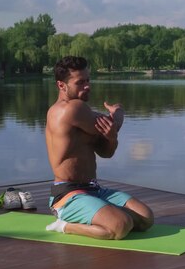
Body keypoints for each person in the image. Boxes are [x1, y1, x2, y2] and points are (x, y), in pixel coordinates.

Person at [44, 56, 153, 240]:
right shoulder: (70, 109)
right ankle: (64, 225)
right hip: (69, 195)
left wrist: (111, 137)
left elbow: (106, 151)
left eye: (88, 80)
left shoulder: (82, 113)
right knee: (121, 226)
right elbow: (113, 123)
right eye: (80, 82)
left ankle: (104, 214)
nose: (87, 86)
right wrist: (119, 112)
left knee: (146, 219)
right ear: (61, 85)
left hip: (94, 189)